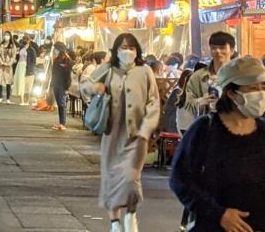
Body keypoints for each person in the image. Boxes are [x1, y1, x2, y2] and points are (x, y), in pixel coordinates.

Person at [170, 56, 265, 232]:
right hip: (212, 226)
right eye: (252, 88)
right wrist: (218, 213)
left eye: (263, 87)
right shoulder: (205, 130)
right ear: (231, 93)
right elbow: (179, 179)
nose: (260, 93)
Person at [82, 33, 160, 232]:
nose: (127, 51)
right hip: (112, 133)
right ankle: (115, 223)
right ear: (116, 50)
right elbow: (83, 84)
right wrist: (94, 87)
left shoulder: (145, 71)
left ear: (137, 51)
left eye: (131, 48)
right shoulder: (107, 69)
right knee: (111, 177)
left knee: (131, 178)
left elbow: (153, 101)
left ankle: (131, 215)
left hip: (137, 136)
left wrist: (147, 128)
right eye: (123, 47)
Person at [185, 31, 236, 117]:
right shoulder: (198, 77)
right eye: (214, 48)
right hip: (207, 125)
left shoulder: (241, 75)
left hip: (236, 124)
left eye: (222, 47)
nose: (217, 51)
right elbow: (187, 104)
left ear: (232, 50)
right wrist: (200, 102)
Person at [51, 42, 72, 131]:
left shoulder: (66, 59)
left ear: (59, 49)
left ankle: (63, 123)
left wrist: (67, 87)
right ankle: (60, 123)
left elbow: (68, 74)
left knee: (62, 103)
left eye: (55, 48)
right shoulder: (57, 59)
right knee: (59, 104)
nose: (54, 50)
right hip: (56, 83)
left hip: (62, 85)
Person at [0, 31, 16, 103]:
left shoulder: (12, 46)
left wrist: (9, 63)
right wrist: (1, 62)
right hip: (1, 65)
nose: (6, 36)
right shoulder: (0, 45)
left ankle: (8, 98)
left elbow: (14, 56)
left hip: (8, 66)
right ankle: (0, 97)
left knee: (8, 82)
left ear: (10, 36)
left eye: (7, 35)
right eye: (5, 35)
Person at [12, 37, 30, 105]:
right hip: (19, 65)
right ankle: (21, 100)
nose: (25, 41)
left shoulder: (29, 49)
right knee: (19, 81)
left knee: (22, 81)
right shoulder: (22, 47)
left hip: (24, 65)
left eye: (26, 40)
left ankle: (23, 100)